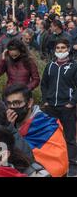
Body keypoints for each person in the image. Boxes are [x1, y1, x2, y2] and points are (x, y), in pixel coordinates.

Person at [3, 84, 68, 177]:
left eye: (17, 103)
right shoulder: (8, 123)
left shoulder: (48, 125)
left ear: (29, 103)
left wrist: (10, 130)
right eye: (9, 104)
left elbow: (57, 166)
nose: (12, 108)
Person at [41, 38, 77, 172]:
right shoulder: (50, 66)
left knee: (70, 137)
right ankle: (54, 164)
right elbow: (44, 84)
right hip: (50, 107)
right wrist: (45, 100)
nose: (60, 50)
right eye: (58, 48)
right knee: (50, 137)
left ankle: (72, 165)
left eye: (63, 48)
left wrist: (72, 102)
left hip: (67, 107)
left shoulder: (74, 66)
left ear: (68, 49)